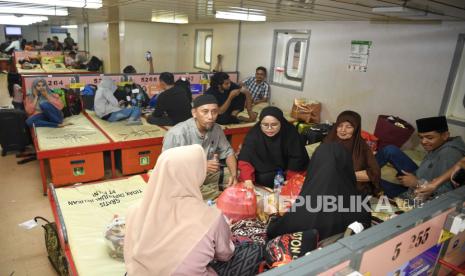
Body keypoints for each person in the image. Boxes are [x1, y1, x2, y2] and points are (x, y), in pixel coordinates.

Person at [124, 144, 235, 276]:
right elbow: (225, 254)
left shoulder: (134, 210)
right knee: (251, 251)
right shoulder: (212, 216)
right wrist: (225, 229)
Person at [266, 142, 372, 241]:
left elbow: (272, 232)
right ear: (348, 165)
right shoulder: (362, 203)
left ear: (314, 165)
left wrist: (274, 217)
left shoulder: (303, 210)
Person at [162, 94, 237, 200]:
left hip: (206, 174)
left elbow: (228, 152)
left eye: (214, 111)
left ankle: (212, 193)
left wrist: (233, 175)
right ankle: (214, 195)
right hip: (184, 177)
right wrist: (200, 166)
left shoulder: (217, 129)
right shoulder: (177, 133)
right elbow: (167, 167)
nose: (210, 117)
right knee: (183, 190)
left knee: (236, 174)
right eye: (205, 112)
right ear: (194, 113)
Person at [376, 116, 465, 199]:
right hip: (420, 177)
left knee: (373, 182)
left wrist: (416, 183)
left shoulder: (449, 154)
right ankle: (367, 171)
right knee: (390, 150)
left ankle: (366, 177)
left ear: (445, 135)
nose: (423, 142)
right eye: (421, 137)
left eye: (429, 137)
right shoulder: (440, 145)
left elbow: (447, 194)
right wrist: (414, 177)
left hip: (420, 195)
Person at [238, 106, 309, 189]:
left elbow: (297, 158)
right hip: (265, 171)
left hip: (287, 170)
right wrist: (247, 180)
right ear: (260, 124)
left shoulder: (290, 133)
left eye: (274, 124)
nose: (269, 129)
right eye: (265, 125)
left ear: (281, 123)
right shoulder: (254, 135)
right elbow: (245, 158)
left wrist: (291, 179)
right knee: (262, 179)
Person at [324, 111, 381, 196]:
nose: (343, 130)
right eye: (340, 125)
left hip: (353, 189)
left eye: (349, 127)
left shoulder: (361, 147)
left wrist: (346, 175)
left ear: (356, 129)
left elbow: (375, 173)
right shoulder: (328, 141)